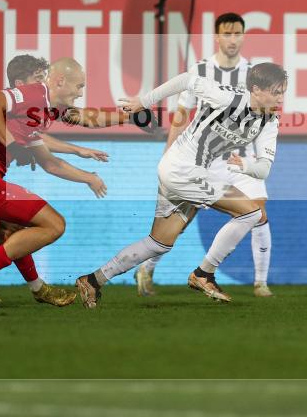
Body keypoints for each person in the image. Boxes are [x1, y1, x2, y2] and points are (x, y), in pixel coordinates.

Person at [75, 62, 287, 309]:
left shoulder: (269, 122)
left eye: (283, 92)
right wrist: (144, 101)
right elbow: (187, 79)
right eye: (276, 92)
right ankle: (204, 274)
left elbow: (264, 169)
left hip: (188, 171)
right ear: (256, 89)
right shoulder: (228, 97)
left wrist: (245, 165)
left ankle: (93, 280)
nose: (281, 98)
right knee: (251, 213)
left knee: (158, 243)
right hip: (181, 167)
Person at [0, 55, 111, 309]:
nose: (43, 84)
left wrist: (78, 152)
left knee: (9, 234)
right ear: (20, 84)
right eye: (39, 79)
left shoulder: (22, 112)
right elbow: (32, 144)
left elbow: (43, 145)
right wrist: (15, 146)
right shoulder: (13, 104)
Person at [135, 13, 278, 298]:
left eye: (237, 33)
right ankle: (147, 268)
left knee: (258, 214)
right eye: (227, 33)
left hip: (240, 158)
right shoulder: (201, 69)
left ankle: (260, 283)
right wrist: (168, 153)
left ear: (244, 36)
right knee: (181, 221)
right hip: (203, 158)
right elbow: (182, 114)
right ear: (217, 36)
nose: (232, 39)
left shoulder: (254, 73)